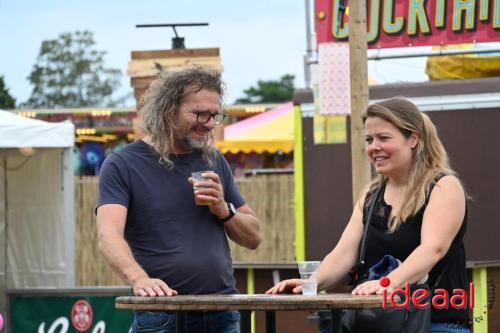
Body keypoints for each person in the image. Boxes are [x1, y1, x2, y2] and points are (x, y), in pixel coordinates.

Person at [267, 97, 470, 332]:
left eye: (384, 138)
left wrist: (387, 283)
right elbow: (343, 254)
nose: (374, 147)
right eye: (369, 139)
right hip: (382, 323)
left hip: (436, 321)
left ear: (413, 139)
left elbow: (432, 250)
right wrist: (310, 283)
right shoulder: (372, 195)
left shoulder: (443, 186)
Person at [96, 66, 262, 333]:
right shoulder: (122, 164)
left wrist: (223, 209)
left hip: (223, 312)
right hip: (162, 315)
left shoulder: (214, 160)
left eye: (214, 115)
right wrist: (139, 279)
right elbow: (108, 236)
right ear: (167, 110)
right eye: (199, 114)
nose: (208, 123)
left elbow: (254, 237)